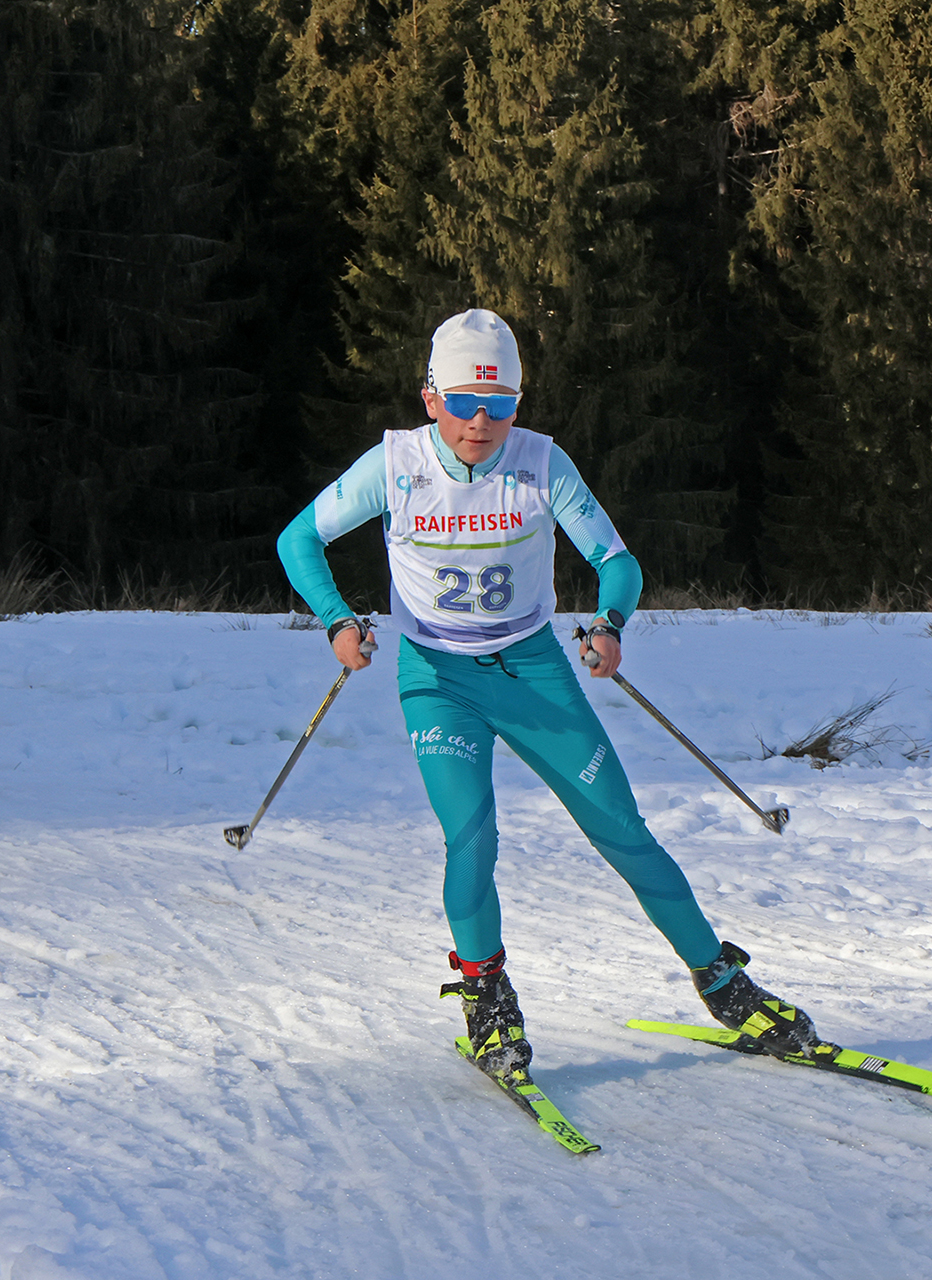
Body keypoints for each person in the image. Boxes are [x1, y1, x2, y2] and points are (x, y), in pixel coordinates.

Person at [275, 308, 819, 1085]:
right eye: (465, 403)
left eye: (500, 407)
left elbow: (618, 561)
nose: (481, 423)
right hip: (439, 679)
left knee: (623, 831)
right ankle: (487, 994)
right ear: (430, 398)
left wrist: (610, 621)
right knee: (472, 837)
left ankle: (723, 982)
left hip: (533, 671)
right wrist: (337, 620)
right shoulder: (394, 466)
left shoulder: (540, 463)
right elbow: (299, 538)